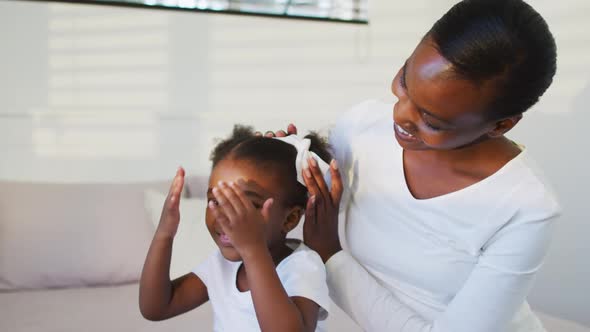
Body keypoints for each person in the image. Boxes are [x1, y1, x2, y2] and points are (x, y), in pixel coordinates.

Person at [275, 0, 560, 331]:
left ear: (500, 126)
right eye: (405, 82)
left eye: (432, 121)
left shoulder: (526, 208)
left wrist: (330, 257)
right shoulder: (362, 125)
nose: (400, 115)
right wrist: (273, 162)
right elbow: (308, 206)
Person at [139, 125, 335, 332]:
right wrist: (164, 234)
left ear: (290, 219)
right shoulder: (221, 265)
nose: (224, 216)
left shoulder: (301, 266)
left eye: (246, 205)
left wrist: (253, 251)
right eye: (215, 201)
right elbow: (156, 308)